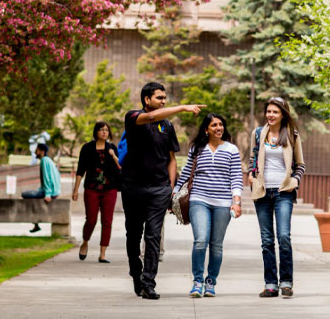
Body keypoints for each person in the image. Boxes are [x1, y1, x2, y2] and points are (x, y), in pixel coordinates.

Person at [121, 81, 205, 300]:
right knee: (133, 235)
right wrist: (183, 107)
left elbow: (171, 159)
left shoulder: (167, 125)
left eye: (165, 98)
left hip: (159, 189)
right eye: (159, 98)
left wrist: (171, 186)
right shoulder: (133, 117)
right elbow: (150, 118)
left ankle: (148, 283)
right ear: (146, 99)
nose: (163, 101)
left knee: (153, 236)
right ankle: (135, 271)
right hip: (133, 188)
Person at [173, 113, 243, 298]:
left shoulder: (231, 150)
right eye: (214, 125)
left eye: (221, 124)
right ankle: (197, 281)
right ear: (206, 129)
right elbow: (188, 171)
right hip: (199, 199)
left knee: (217, 245)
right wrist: (174, 191)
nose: (218, 128)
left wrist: (236, 202)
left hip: (223, 203)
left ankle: (210, 281)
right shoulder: (197, 148)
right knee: (200, 240)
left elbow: (236, 177)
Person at [248, 97, 305, 299]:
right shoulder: (258, 134)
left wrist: (294, 181)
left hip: (283, 192)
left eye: (275, 112)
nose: (270, 115)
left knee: (283, 237)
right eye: (269, 111)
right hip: (262, 191)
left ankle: (287, 282)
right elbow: (253, 158)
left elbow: (300, 164)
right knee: (266, 240)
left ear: (283, 114)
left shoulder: (292, 135)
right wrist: (251, 174)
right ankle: (271, 284)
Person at [72, 122, 121, 263]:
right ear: (96, 132)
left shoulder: (112, 148)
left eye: (106, 130)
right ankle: (85, 242)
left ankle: (103, 253)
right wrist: (76, 190)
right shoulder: (87, 148)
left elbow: (120, 166)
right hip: (92, 189)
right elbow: (81, 170)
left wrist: (113, 155)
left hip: (109, 189)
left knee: (107, 221)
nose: (104, 132)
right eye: (101, 130)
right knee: (91, 220)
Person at [22, 143, 61, 233]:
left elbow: (47, 178)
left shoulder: (44, 161)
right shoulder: (48, 160)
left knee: (25, 194)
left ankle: (36, 223)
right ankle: (36, 223)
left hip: (50, 192)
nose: (35, 152)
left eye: (37, 150)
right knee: (33, 195)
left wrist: (48, 194)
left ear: (42, 152)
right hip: (54, 191)